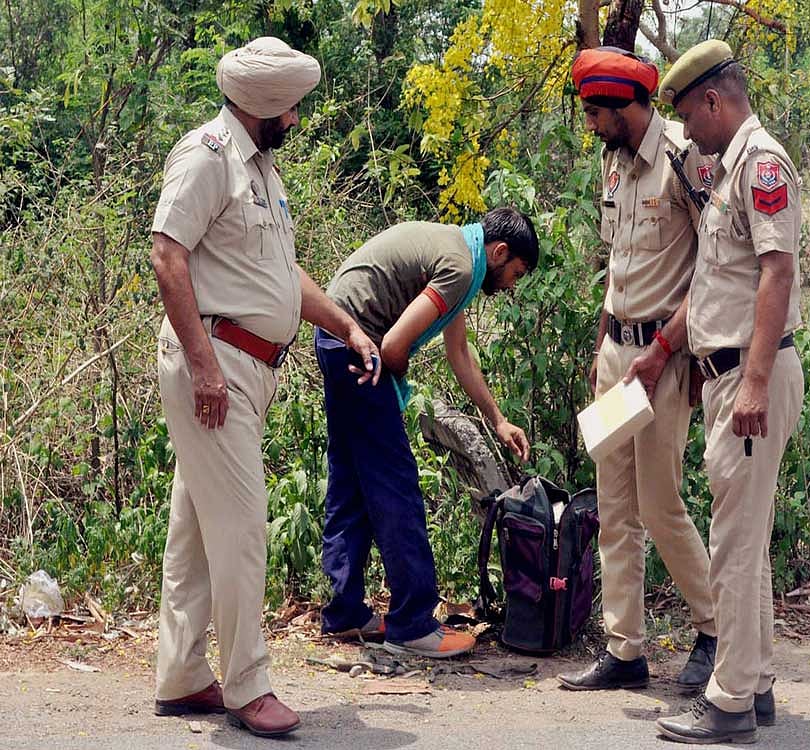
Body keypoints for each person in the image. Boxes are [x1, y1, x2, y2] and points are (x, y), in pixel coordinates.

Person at [150, 37, 380, 738]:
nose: (299, 117)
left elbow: (282, 277)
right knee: (245, 527)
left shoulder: (263, 172)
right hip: (216, 365)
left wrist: (348, 324)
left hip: (247, 367)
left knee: (197, 529)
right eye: (295, 106)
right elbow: (167, 254)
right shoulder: (208, 157)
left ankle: (184, 674)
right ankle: (247, 685)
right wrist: (205, 367)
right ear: (269, 105)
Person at [649, 40, 805, 744]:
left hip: (751, 375)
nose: (686, 133)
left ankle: (730, 700)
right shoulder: (727, 168)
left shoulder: (762, 162)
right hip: (729, 374)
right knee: (748, 541)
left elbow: (778, 272)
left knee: (732, 546)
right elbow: (721, 284)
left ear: (715, 101)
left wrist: (755, 383)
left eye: (689, 116)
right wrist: (666, 353)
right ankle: (759, 681)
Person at [556, 46, 718, 693]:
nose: (590, 124)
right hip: (618, 357)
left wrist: (662, 352)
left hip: (664, 358)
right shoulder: (614, 162)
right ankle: (625, 651)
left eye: (597, 113)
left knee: (660, 506)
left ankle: (715, 631)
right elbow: (616, 266)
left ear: (628, 106)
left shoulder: (686, 158)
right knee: (615, 510)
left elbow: (715, 266)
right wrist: (603, 347)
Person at [315, 208, 537, 658]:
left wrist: (497, 418)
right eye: (516, 273)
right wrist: (399, 385)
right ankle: (412, 624)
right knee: (395, 486)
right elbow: (395, 346)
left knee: (351, 481)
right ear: (499, 252)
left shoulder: (459, 256)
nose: (512, 285)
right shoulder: (458, 265)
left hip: (335, 335)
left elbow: (458, 353)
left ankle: (346, 613)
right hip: (358, 343)